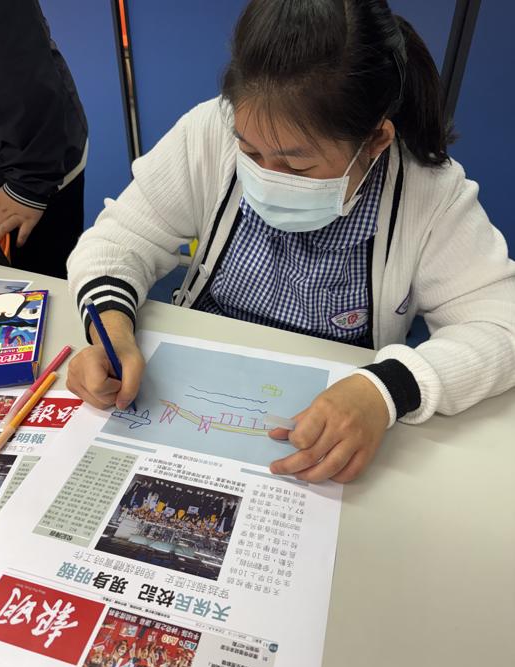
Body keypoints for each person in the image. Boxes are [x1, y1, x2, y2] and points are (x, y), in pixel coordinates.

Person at [67, 0, 515, 484]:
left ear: (375, 141)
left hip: (334, 409)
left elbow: (500, 324)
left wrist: (385, 389)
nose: (266, 175)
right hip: (198, 387)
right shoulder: (209, 132)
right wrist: (111, 331)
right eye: (250, 151)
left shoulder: (428, 192)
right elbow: (120, 238)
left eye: (297, 166)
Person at [0, 0, 87, 278]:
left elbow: (17, 69)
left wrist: (28, 185)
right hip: (2, 168)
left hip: (18, 178)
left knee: (32, 294)